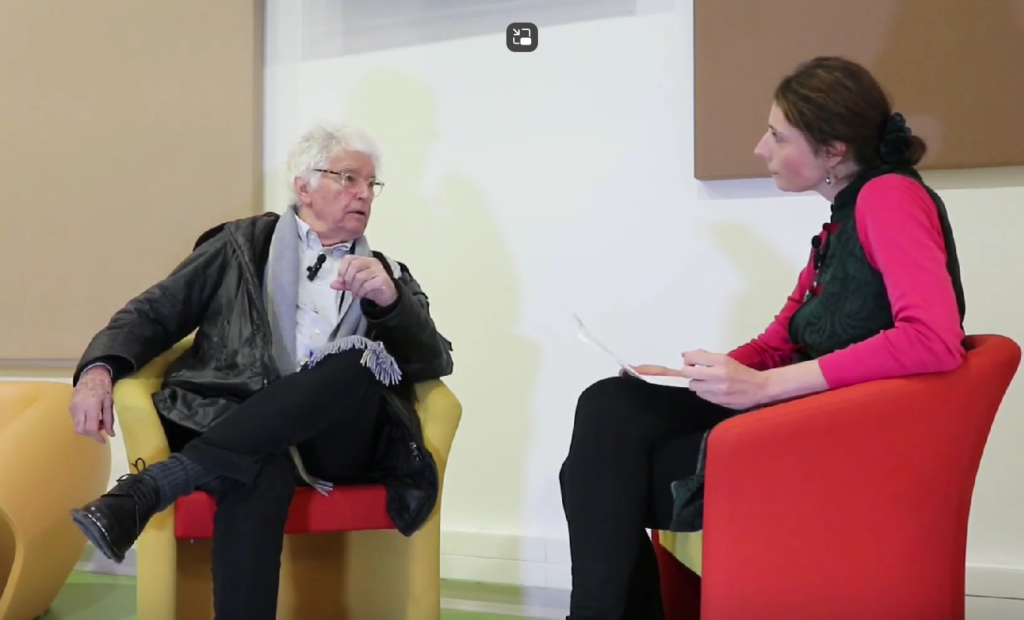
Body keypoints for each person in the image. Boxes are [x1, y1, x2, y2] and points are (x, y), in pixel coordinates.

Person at [558, 56, 967, 620]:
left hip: (850, 437)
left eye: (778, 136)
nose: (760, 148)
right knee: (612, 405)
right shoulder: (842, 222)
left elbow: (933, 339)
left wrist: (766, 386)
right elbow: (779, 343)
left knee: (607, 469)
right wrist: (697, 377)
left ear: (833, 150)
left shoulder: (889, 198)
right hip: (808, 416)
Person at [68, 122, 454, 620]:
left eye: (370, 183)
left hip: (336, 446)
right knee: (256, 471)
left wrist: (391, 303)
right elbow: (153, 314)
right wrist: (98, 372)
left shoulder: (388, 273)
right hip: (238, 422)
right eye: (348, 178)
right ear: (304, 186)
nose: (363, 193)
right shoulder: (240, 246)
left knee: (357, 359)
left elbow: (433, 361)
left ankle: (151, 487)